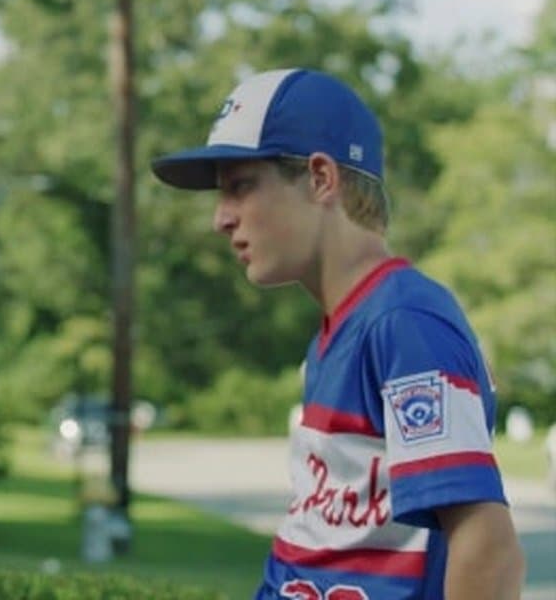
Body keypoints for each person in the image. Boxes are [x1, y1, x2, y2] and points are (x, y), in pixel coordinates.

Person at [151, 69, 525, 599]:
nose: (221, 219)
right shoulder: (343, 329)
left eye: (240, 186)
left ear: (321, 178)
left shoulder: (404, 324)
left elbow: (487, 547)